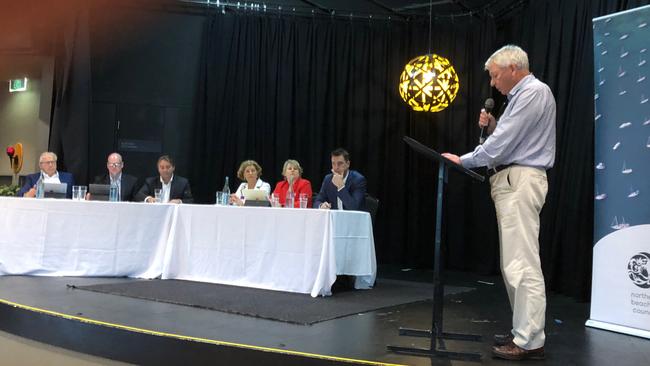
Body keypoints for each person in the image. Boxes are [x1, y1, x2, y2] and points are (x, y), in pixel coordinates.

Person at [442, 45, 555, 361]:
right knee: (513, 264)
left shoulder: (533, 92)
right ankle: (524, 330)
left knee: (523, 263)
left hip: (520, 180)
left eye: (494, 75)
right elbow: (508, 139)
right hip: (511, 180)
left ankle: (529, 338)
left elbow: (504, 145)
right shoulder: (521, 97)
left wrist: (463, 160)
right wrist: (492, 128)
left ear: (512, 68)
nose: (492, 83)